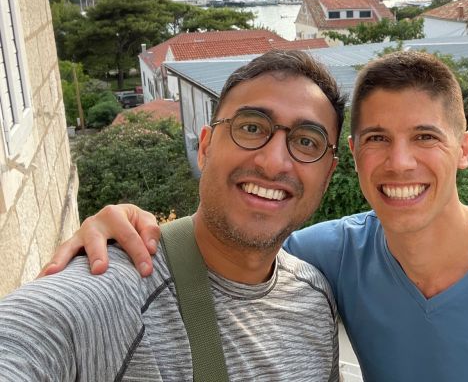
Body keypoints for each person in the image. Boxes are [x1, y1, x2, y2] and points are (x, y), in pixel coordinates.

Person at [42, 51, 468, 381]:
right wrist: (126, 225)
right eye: (377, 138)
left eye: (425, 136)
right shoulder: (328, 258)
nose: (400, 163)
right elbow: (234, 243)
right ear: (351, 155)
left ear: (464, 149)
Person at [0, 50, 345, 381]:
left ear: (327, 176)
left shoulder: (315, 298)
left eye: (307, 142)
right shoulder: (112, 294)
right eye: (251, 128)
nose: (273, 163)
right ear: (205, 148)